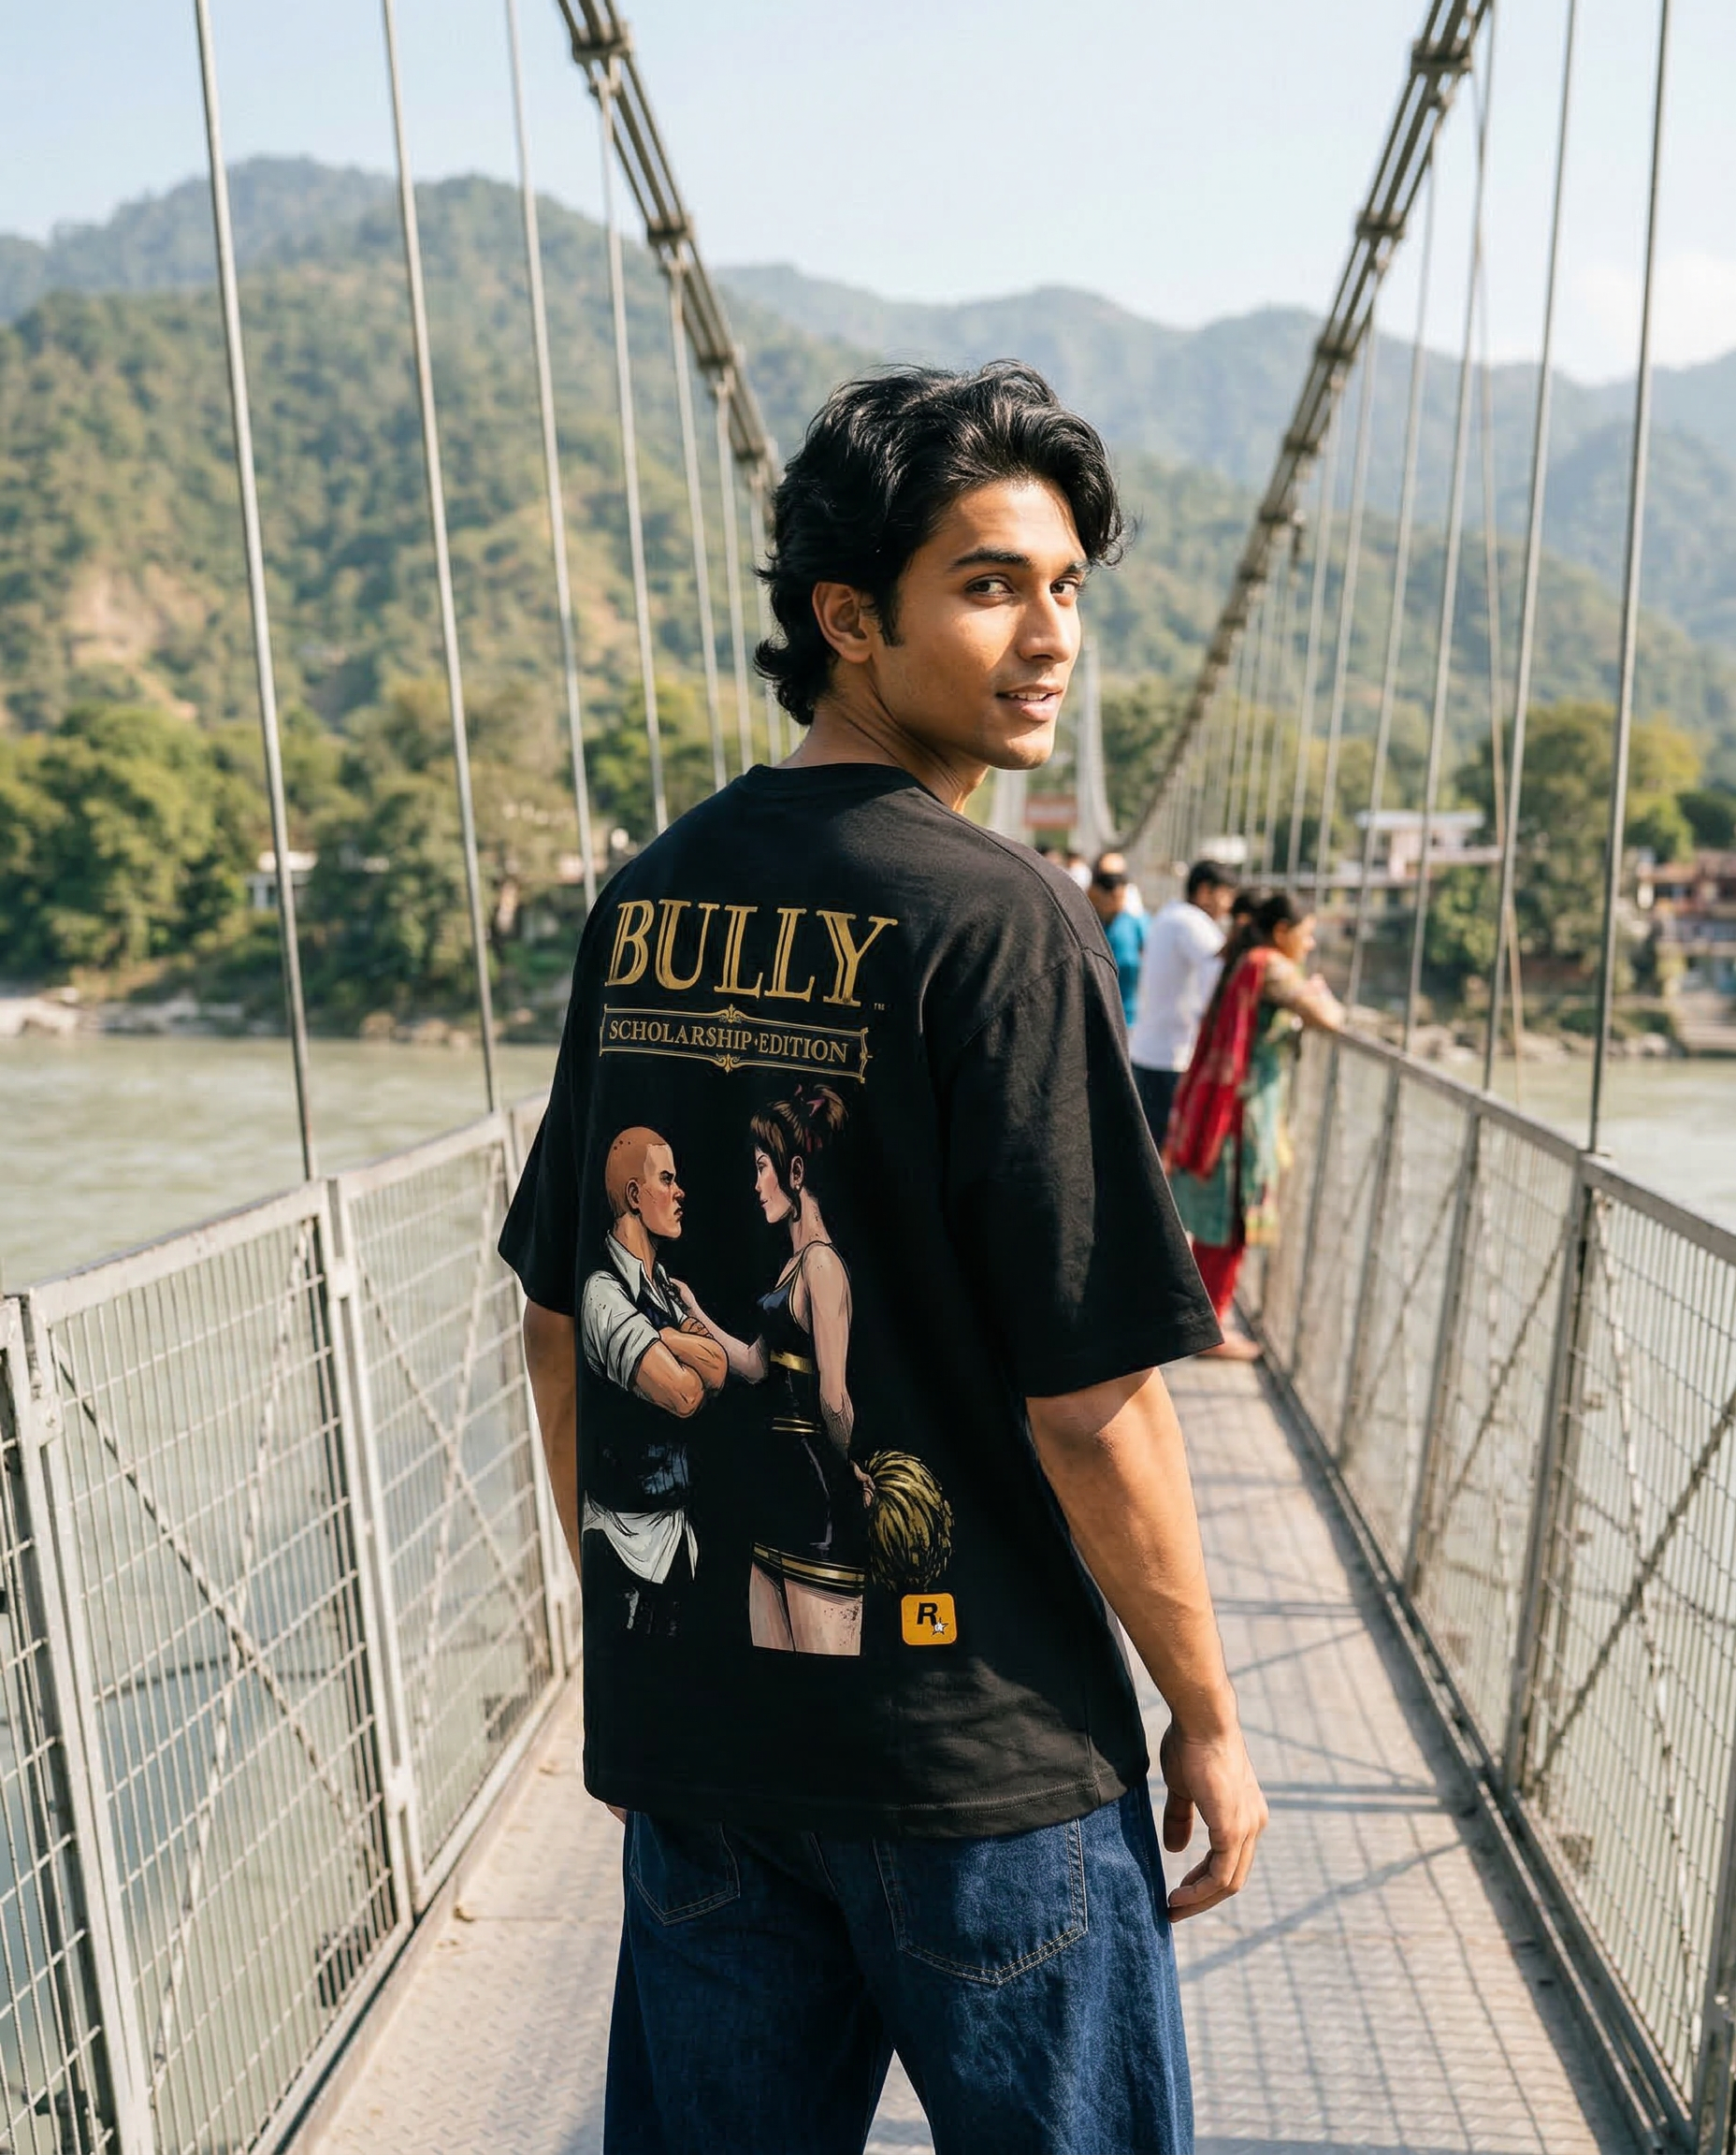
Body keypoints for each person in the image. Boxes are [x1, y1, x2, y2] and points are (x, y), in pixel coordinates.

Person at [503, 360, 1264, 2155]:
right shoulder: (1000, 923)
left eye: (1068, 585)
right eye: (991, 583)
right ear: (851, 617)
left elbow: (561, 1323)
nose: (1050, 635)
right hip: (975, 1761)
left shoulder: (648, 899)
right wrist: (1209, 1715)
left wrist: (651, 1640)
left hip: (710, 1749)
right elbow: (1089, 1404)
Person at [673, 1083, 951, 1658]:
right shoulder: (793, 1266)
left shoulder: (822, 1265)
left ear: (795, 1170)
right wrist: (697, 1312)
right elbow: (754, 1364)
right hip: (777, 1492)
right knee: (778, 1680)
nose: (755, 1185)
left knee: (826, 1676)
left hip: (818, 1497)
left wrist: (848, 1466)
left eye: (762, 1168)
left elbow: (834, 1397)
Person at [1165, 890, 1344, 1363]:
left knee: (1220, 1223)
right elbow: (1329, 1017)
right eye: (1306, 937)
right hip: (1243, 1116)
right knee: (1234, 1222)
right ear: (1282, 932)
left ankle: (1201, 1319)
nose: (1309, 947)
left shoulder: (1249, 961)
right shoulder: (1272, 966)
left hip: (1231, 1108)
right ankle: (1212, 1329)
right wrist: (1322, 993)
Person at [576, 1127, 728, 1637]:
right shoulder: (603, 1294)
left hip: (675, 1541)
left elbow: (719, 1367)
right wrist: (679, 1341)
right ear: (635, 1197)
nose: (680, 1192)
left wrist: (665, 1336)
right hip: (626, 1552)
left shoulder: (661, 1285)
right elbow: (685, 1394)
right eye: (667, 1179)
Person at [1129, 860, 1237, 1145]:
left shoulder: (1169, 914)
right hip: (1171, 1057)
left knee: (1150, 1148)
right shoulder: (1193, 922)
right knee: (1167, 1151)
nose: (1229, 905)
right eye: (1226, 895)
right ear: (1204, 891)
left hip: (1149, 1051)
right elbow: (1222, 976)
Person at [1088, 848, 1145, 1027]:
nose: (1117, 889)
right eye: (1108, 882)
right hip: (1093, 1025)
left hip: (1131, 1025)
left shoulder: (1139, 925)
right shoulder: (1080, 922)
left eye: (1122, 880)